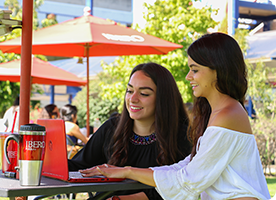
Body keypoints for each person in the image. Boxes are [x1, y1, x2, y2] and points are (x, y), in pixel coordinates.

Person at [80, 33, 271, 200]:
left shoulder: (228, 115)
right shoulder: (219, 113)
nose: (188, 76)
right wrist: (125, 171)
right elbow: (185, 166)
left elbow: (188, 182)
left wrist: (127, 171)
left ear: (218, 70)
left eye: (195, 70)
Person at [69, 62, 191, 200]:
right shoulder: (112, 128)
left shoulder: (182, 136)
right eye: (130, 91)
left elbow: (178, 187)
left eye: (144, 93)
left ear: (163, 98)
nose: (133, 99)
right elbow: (80, 165)